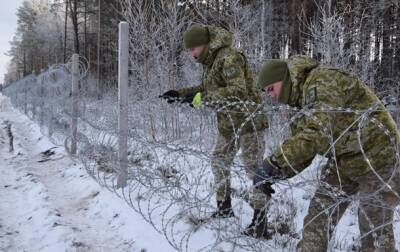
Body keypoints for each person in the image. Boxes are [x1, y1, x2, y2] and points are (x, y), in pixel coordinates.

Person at [256, 55, 400, 251]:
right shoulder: (299, 106)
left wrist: (274, 161)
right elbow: (304, 150)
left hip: (380, 157)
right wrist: (276, 173)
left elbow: (316, 135)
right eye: (267, 92)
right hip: (344, 161)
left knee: (373, 227)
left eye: (271, 89)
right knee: (318, 216)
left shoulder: (323, 81)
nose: (271, 96)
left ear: (284, 78)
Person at [160, 24, 271, 238]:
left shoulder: (229, 58)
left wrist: (202, 100)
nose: (191, 53)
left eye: (193, 49)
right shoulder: (210, 62)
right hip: (228, 123)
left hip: (249, 122)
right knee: (219, 160)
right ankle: (224, 208)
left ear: (204, 44)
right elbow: (206, 88)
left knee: (254, 170)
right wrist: (180, 94)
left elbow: (238, 90)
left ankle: (260, 223)